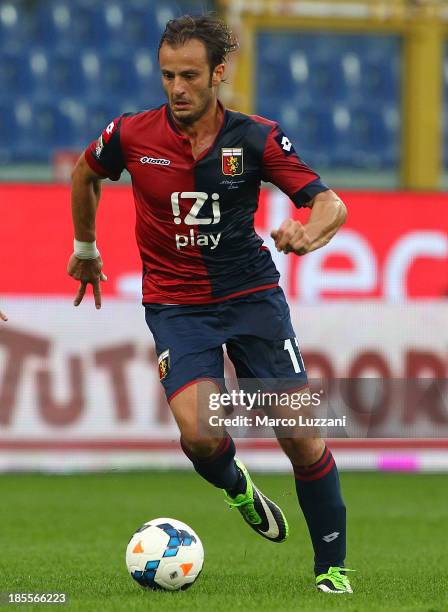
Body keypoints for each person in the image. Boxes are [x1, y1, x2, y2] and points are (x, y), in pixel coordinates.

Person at [68, 15, 353, 594]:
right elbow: (85, 173)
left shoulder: (255, 137)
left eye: (190, 76)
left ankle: (331, 571)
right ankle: (238, 488)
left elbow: (329, 205)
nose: (177, 88)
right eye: (168, 75)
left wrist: (306, 232)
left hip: (250, 297)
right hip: (177, 305)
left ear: (218, 74)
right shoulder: (131, 134)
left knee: (301, 436)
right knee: (199, 434)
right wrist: (85, 247)